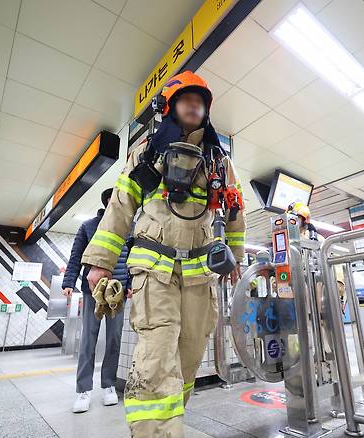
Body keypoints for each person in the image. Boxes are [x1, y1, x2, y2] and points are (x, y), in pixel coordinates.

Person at [81, 71, 246, 437]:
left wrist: (235, 253)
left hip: (200, 278)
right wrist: (99, 263)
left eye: (200, 101)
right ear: (170, 106)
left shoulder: (219, 161)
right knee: (156, 359)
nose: (195, 106)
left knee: (188, 361)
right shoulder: (147, 153)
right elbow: (121, 207)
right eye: (187, 99)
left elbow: (235, 211)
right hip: (154, 274)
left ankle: (171, 425)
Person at [63, 188, 131, 413]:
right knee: (87, 341)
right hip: (92, 291)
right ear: (108, 202)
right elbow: (76, 257)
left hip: (117, 293)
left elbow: (132, 259)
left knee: (114, 339)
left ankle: (109, 386)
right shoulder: (89, 226)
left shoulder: (128, 228)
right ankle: (83, 390)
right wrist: (68, 283)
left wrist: (129, 285)